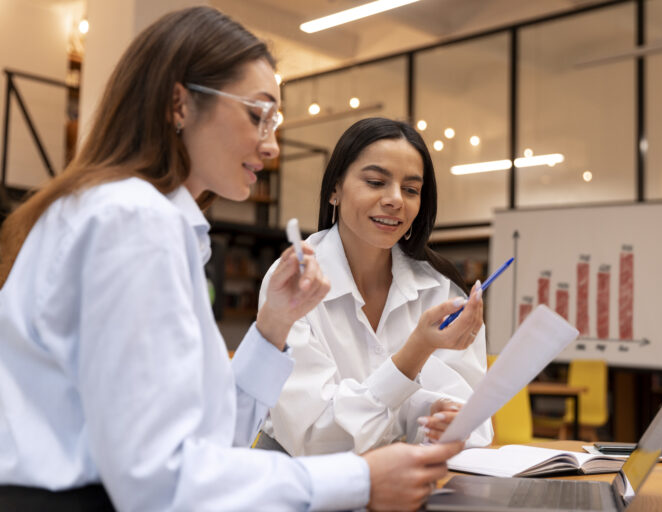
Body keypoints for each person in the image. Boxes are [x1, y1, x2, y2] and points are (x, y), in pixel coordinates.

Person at [0, 8, 462, 511]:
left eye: (274, 122)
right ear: (180, 104)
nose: (272, 146)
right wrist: (361, 479)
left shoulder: (140, 218)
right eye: (257, 115)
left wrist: (272, 327)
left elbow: (213, 438)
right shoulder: (133, 221)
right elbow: (158, 478)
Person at [250, 118, 493, 457]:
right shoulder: (293, 280)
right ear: (335, 189)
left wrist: (443, 419)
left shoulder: (441, 288)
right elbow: (313, 436)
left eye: (411, 190)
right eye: (376, 182)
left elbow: (475, 422)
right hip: (301, 477)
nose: (395, 200)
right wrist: (414, 353)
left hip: (406, 475)